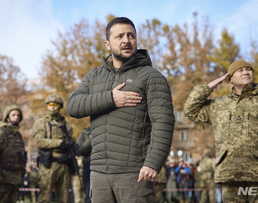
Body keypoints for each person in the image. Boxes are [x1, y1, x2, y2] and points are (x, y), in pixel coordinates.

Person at [66, 17, 175, 203]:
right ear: (107, 44)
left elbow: (163, 123)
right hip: (99, 175)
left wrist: (152, 163)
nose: (126, 40)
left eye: (131, 35)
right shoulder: (94, 76)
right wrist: (110, 98)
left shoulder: (151, 76)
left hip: (135, 174)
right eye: (120, 36)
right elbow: (73, 106)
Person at [184, 59, 258, 202]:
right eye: (240, 70)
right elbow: (190, 110)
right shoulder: (219, 105)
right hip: (231, 176)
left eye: (248, 69)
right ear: (230, 79)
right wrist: (208, 87)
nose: (245, 72)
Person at [31, 94, 74, 203]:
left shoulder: (66, 125)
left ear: (60, 106)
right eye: (50, 105)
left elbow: (72, 143)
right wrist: (58, 143)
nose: (52, 107)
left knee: (64, 199)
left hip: (64, 165)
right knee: (44, 198)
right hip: (48, 166)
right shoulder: (41, 122)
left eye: (55, 104)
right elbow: (39, 142)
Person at [0, 105, 27, 203]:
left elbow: (22, 156)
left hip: (16, 178)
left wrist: (22, 175)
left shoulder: (18, 135)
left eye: (18, 115)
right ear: (7, 118)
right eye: (13, 115)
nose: (16, 117)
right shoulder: (2, 132)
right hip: (4, 178)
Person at [78, 126, 92, 203]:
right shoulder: (84, 133)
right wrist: (89, 141)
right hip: (87, 164)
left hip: (100, 164)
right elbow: (80, 151)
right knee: (88, 191)